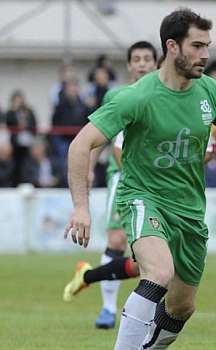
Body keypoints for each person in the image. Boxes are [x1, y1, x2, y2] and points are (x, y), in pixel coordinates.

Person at [63, 8, 216, 349]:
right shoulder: (138, 96)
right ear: (172, 47)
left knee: (182, 305)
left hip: (189, 210)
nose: (206, 54)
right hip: (143, 197)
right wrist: (81, 207)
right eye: (197, 46)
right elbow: (81, 144)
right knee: (157, 273)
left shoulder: (210, 91)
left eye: (207, 46)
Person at [62, 41, 158, 329]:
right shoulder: (118, 95)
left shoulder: (165, 95)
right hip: (123, 176)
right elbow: (99, 135)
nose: (141, 63)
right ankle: (107, 310)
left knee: (150, 256)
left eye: (147, 59)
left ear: (156, 63)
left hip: (158, 183)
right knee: (117, 241)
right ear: (129, 65)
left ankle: (92, 278)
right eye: (136, 59)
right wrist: (89, 170)